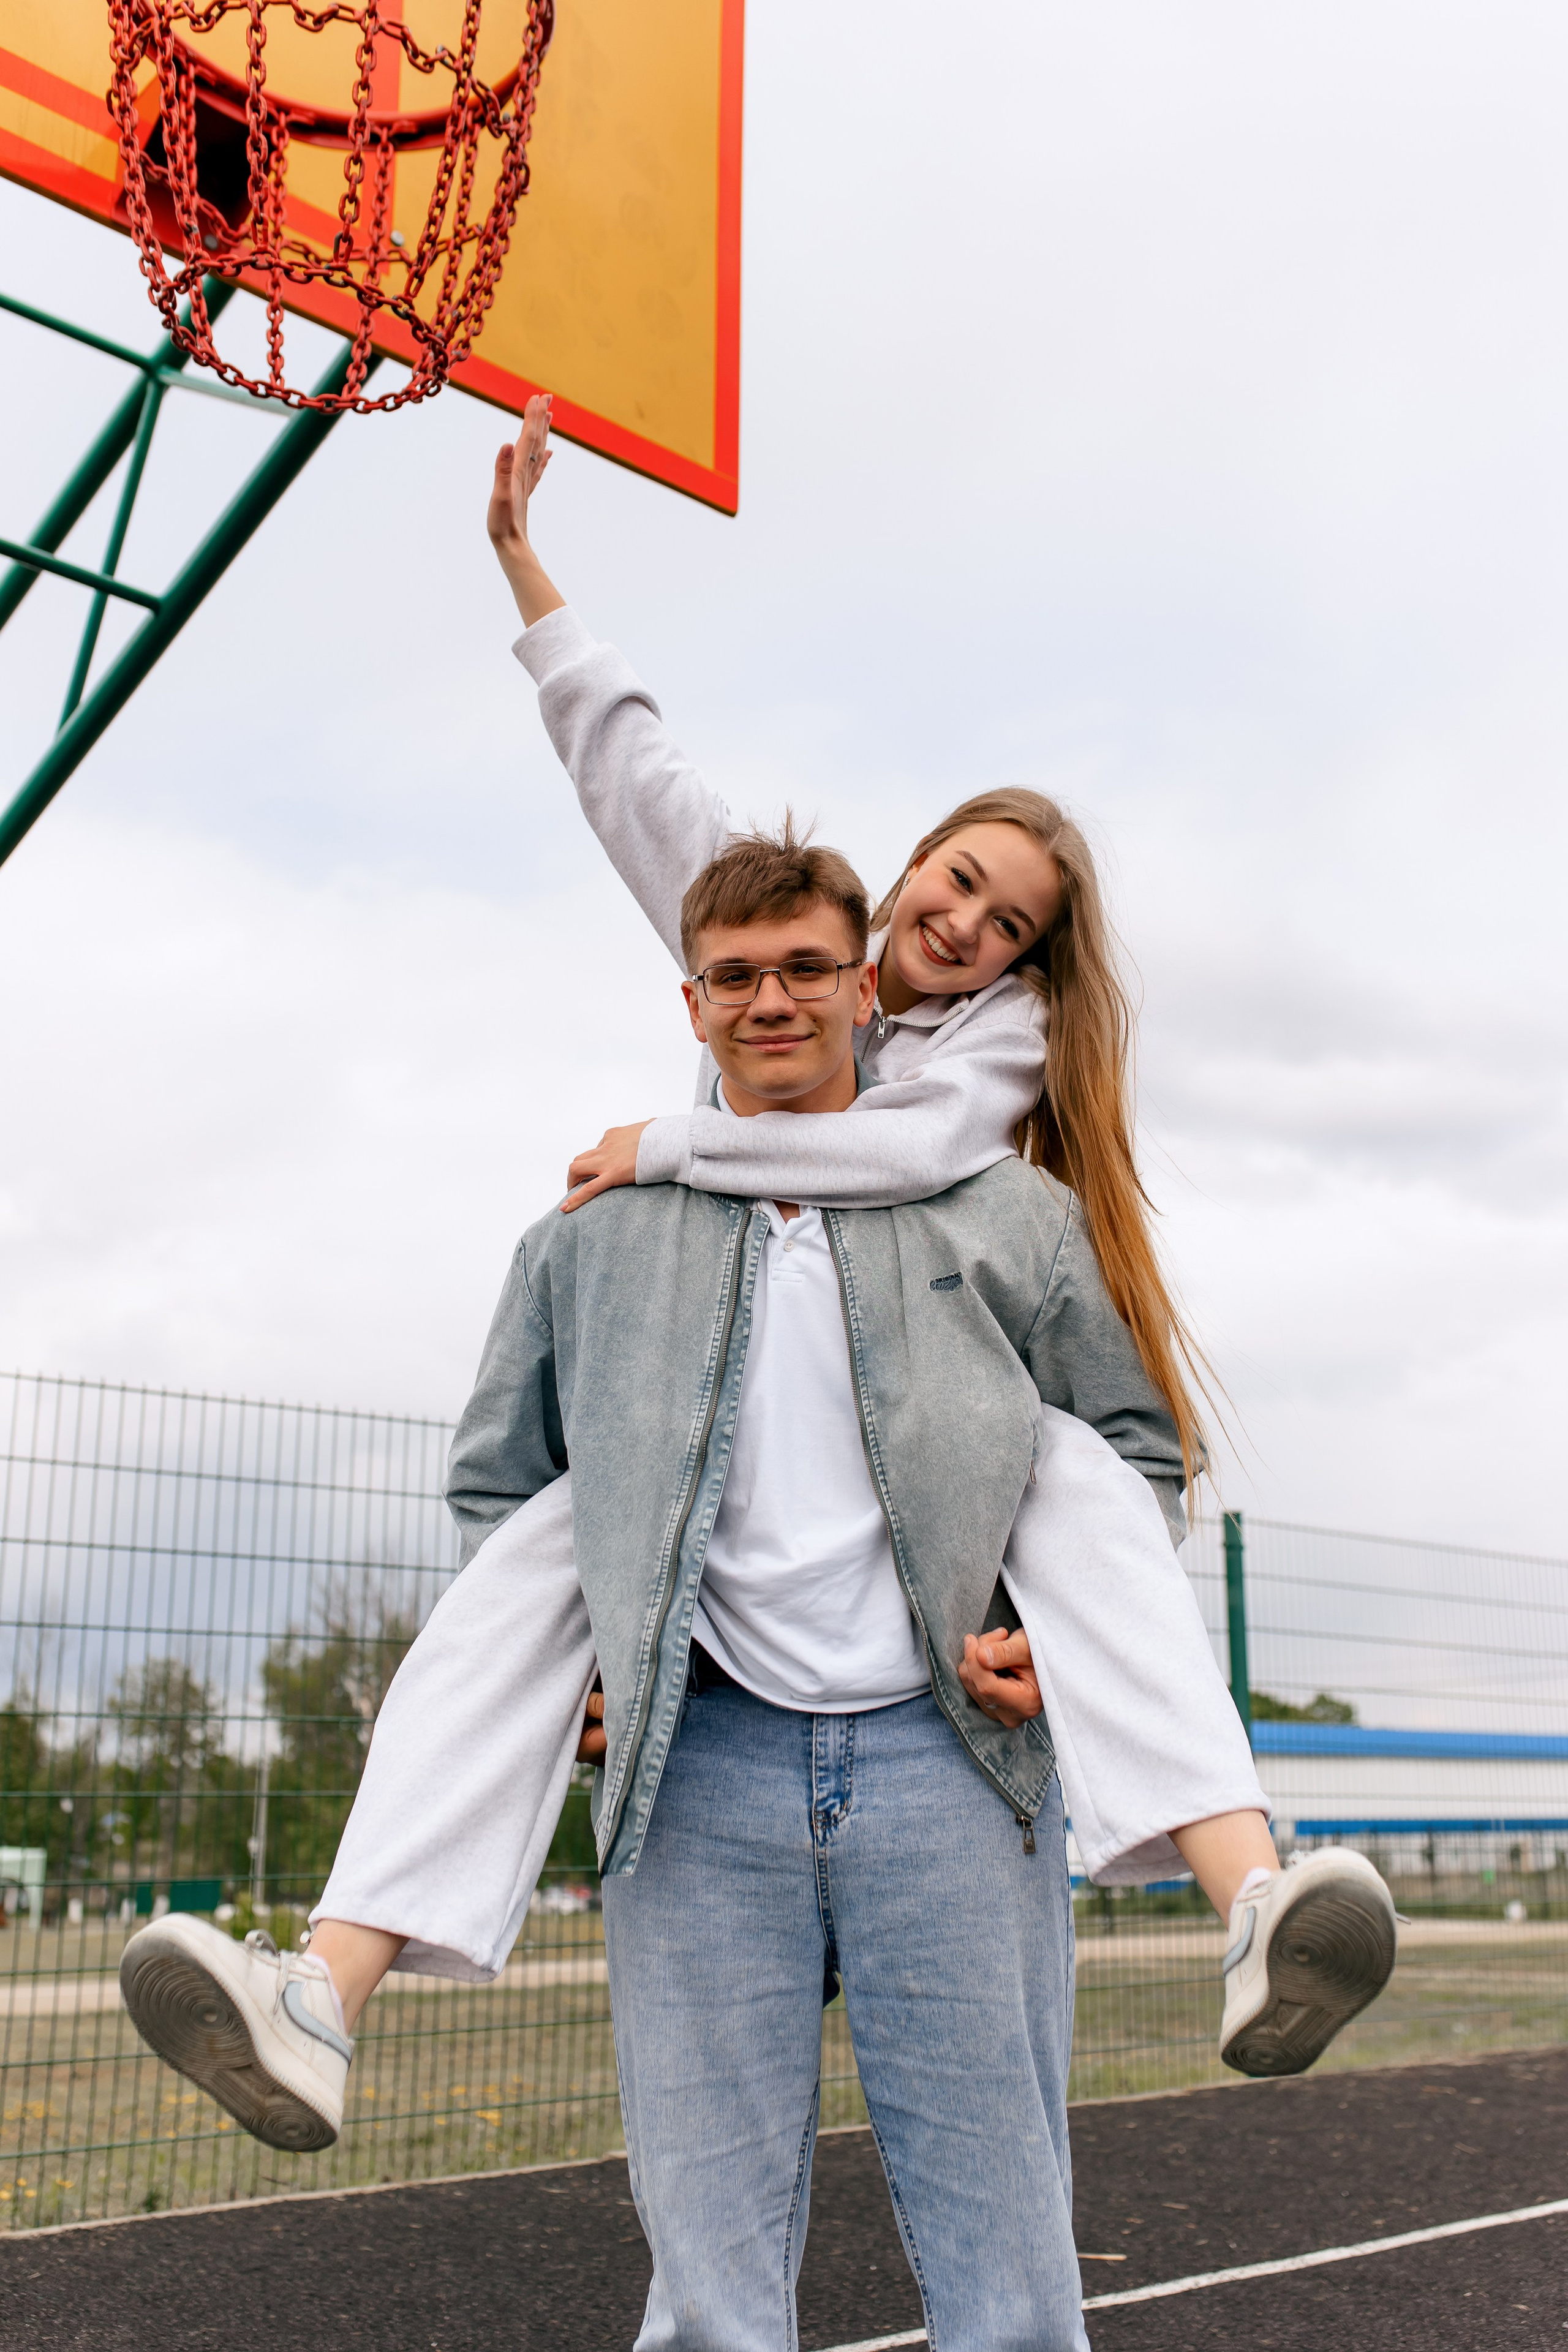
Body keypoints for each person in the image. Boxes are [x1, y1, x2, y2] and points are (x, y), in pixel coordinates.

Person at [118, 410, 1396, 2180]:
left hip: (922, 1609)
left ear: (1021, 966)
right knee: (545, 1543)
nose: (959, 927)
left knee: (1076, 1474)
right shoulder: (785, 950)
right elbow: (635, 777)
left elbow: (882, 1167)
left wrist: (668, 1146)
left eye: (1003, 921)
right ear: (900, 875)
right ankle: (324, 1993)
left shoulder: (976, 1082)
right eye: (955, 879)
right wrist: (526, 571)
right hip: (719, 1645)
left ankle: (1251, 1892)